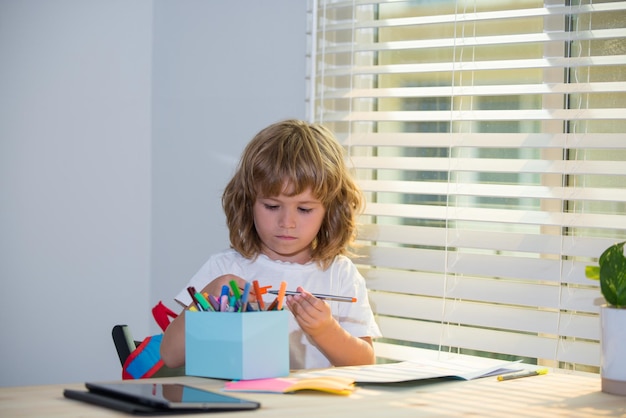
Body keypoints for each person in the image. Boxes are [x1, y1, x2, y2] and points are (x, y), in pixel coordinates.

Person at [160, 119, 382, 370]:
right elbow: (170, 355)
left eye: (305, 209)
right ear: (247, 203)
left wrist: (325, 330)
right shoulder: (225, 268)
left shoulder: (340, 274)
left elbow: (365, 363)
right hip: (242, 406)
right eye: (272, 206)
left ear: (329, 211)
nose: (287, 222)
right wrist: (212, 291)